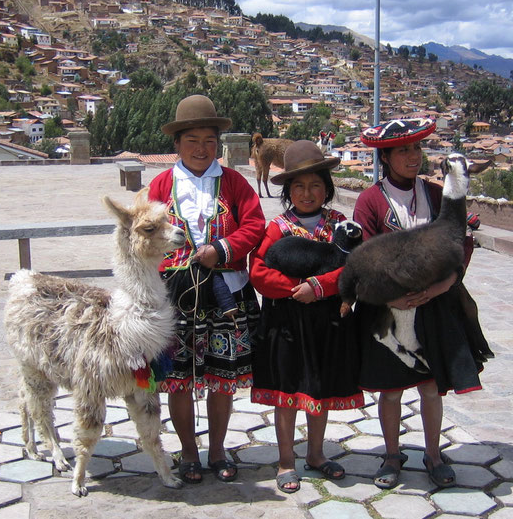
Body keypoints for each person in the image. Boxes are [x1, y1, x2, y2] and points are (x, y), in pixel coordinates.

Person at [354, 118, 490, 489]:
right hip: (388, 309)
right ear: (386, 157)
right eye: (403, 150)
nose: (413, 156)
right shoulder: (370, 201)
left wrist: (440, 287)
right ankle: (392, 455)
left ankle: (433, 454)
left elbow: (457, 245)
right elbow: (364, 256)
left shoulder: (435, 195)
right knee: (392, 389)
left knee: (431, 386)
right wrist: (393, 296)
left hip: (435, 304)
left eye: (416, 149)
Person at [148, 94, 265, 484]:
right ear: (177, 144)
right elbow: (145, 234)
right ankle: (189, 453)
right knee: (178, 380)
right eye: (192, 140)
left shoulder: (233, 182)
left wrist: (222, 248)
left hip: (226, 297)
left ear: (219, 143)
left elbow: (254, 225)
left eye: (209, 141)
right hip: (176, 299)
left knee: (222, 379)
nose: (202, 148)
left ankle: (217, 451)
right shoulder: (161, 185)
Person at [249, 140, 364, 494]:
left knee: (319, 390)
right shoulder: (278, 228)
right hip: (286, 323)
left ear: (327, 188)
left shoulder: (341, 225)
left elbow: (355, 268)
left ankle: (315, 455)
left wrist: (320, 286)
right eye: (298, 186)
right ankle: (286, 461)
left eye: (315, 185)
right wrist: (293, 287)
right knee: (287, 393)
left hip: (326, 323)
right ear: (288, 191)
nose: (307, 192)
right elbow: (257, 272)